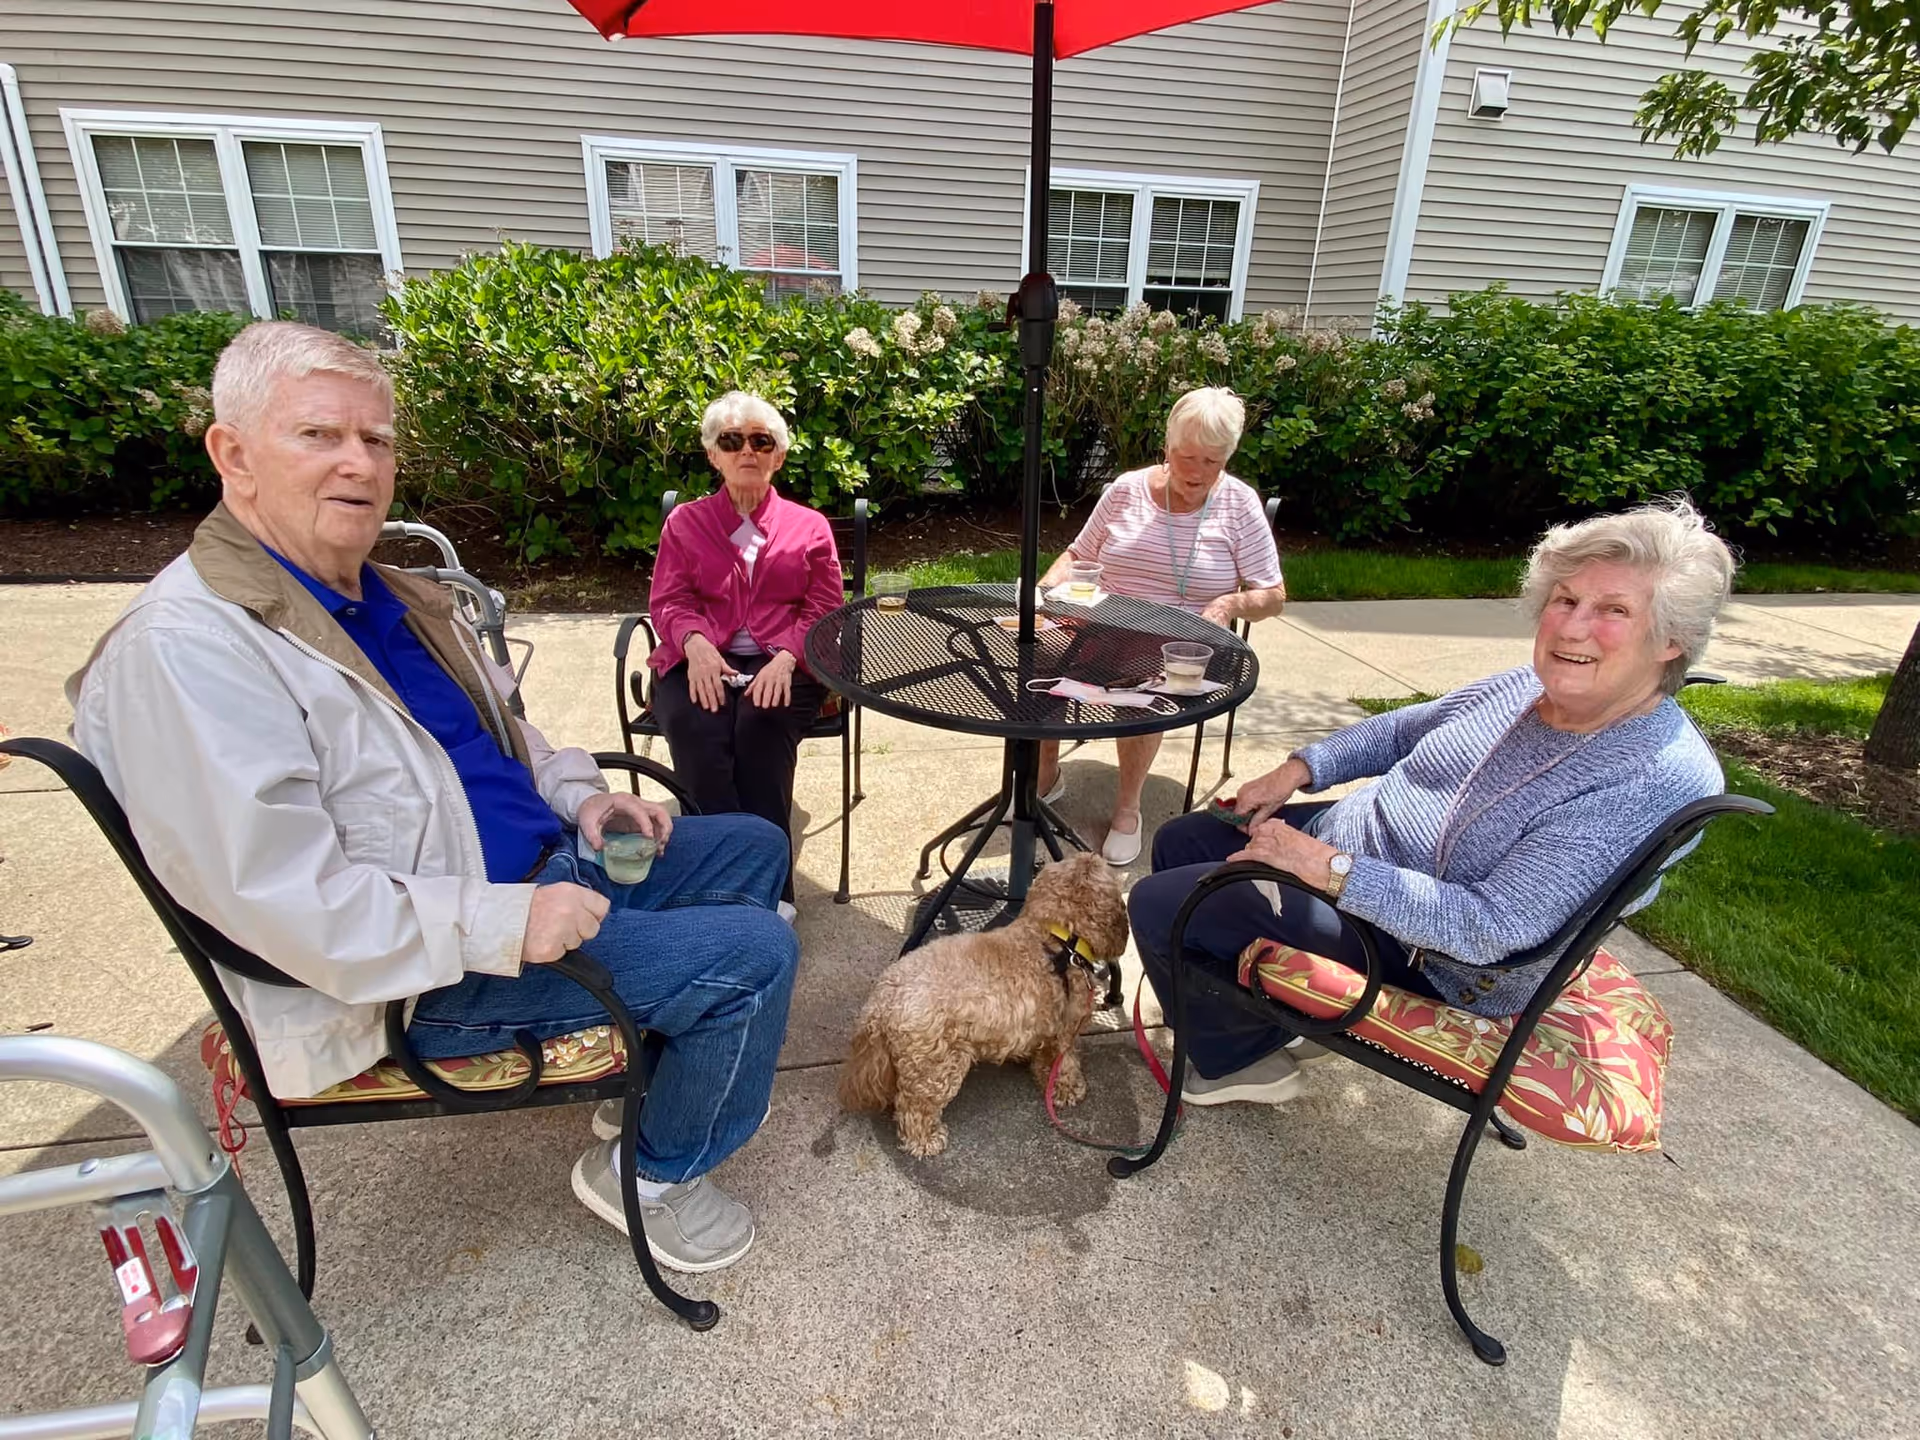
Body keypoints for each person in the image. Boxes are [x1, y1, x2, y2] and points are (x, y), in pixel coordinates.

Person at [67, 322, 795, 1273]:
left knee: (751, 845)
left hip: (542, 872)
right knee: (758, 951)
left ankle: (654, 1054)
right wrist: (505, 920)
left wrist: (585, 801)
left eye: (375, 440)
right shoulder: (189, 649)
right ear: (231, 454)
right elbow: (278, 902)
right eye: (319, 436)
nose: (357, 464)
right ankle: (655, 1175)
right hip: (423, 976)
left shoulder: (385, 596)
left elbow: (505, 739)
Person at [1127, 499, 1734, 1106]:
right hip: (1360, 857)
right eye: (1566, 599)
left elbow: (1490, 927)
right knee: (1181, 840)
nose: (1573, 627)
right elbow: (1400, 731)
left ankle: (1240, 1060)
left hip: (1434, 952)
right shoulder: (1527, 685)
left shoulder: (1651, 775)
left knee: (1161, 904)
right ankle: (1258, 1009)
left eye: (1614, 611)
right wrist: (1297, 770)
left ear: (1670, 642)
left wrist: (1322, 868)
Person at [1036, 386, 1286, 865]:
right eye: (1185, 457)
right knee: (1037, 658)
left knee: (1139, 683)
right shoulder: (1127, 489)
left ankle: (1128, 808)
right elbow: (1078, 555)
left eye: (1211, 462)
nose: (1194, 472)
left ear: (1228, 457)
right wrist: (1045, 596)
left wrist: (1227, 604)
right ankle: (1045, 774)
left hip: (1178, 641)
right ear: (1166, 448)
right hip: (1103, 620)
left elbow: (1273, 597)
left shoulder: (1239, 505)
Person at [646, 392, 843, 907]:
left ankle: (771, 891)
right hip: (697, 654)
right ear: (714, 454)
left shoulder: (810, 527)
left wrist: (786, 657)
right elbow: (669, 598)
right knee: (696, 725)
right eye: (732, 441)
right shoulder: (685, 523)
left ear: (779, 455)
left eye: (762, 441)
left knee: (760, 723)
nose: (747, 451)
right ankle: (718, 881)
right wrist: (694, 645)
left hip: (785, 660)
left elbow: (823, 608)